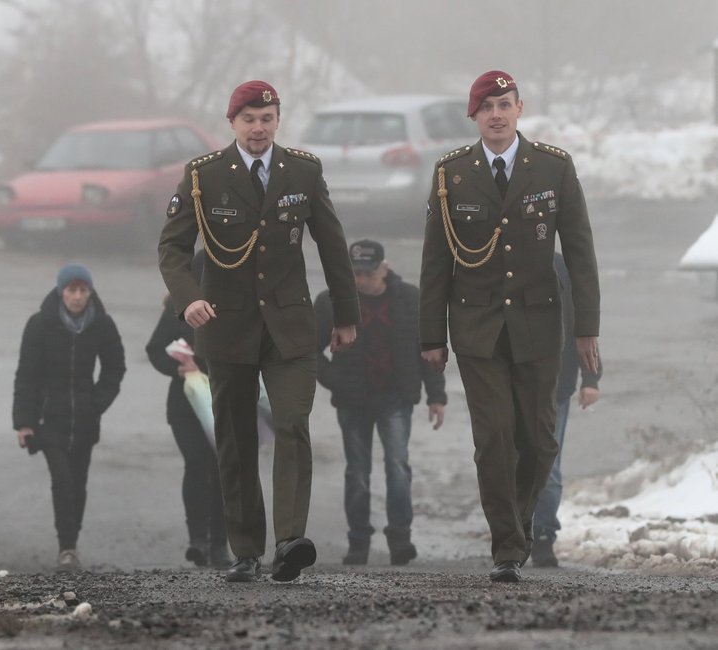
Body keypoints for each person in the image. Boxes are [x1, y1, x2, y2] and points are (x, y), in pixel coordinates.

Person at [158, 80, 360, 583]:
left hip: (290, 327)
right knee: (236, 438)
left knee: (293, 424)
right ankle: (246, 549)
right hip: (226, 328)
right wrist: (190, 300)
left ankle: (289, 541)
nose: (259, 128)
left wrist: (345, 315)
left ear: (277, 120)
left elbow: (333, 246)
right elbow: (172, 249)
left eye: (267, 118)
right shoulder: (203, 177)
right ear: (232, 123)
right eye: (249, 119)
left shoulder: (304, 170)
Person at [419, 70, 600, 583]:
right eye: (486, 107)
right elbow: (436, 262)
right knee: (495, 437)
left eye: (504, 104)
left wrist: (588, 328)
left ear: (520, 108)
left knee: (540, 439)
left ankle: (519, 523)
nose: (495, 114)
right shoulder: (451, 173)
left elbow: (581, 254)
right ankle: (506, 546)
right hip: (477, 326)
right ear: (473, 116)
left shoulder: (553, 167)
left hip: (540, 323)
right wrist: (431, 336)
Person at [314, 239, 447, 566]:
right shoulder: (331, 303)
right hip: (352, 399)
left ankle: (400, 539)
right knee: (357, 471)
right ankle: (358, 541)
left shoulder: (410, 299)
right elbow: (307, 349)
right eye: (355, 273)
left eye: (367, 273)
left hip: (395, 396)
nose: (360, 280)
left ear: (384, 268)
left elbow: (428, 349)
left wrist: (437, 397)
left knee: (397, 466)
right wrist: (334, 380)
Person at [13, 264, 126, 571]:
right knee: (62, 480)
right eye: (71, 290)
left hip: (86, 420)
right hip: (50, 420)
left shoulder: (102, 325)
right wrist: (24, 422)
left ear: (90, 292)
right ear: (60, 291)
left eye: (82, 291)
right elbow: (26, 375)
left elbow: (115, 368)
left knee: (78, 483)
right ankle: (66, 547)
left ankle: (71, 543)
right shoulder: (40, 325)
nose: (77, 297)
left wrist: (96, 403)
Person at [146, 254, 230, 569]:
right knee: (197, 465)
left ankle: (220, 543)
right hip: (185, 405)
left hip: (226, 402)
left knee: (223, 470)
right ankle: (198, 539)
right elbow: (155, 349)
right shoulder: (178, 309)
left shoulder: (235, 308)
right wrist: (179, 366)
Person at [532, 252, 602, 567]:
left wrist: (591, 379)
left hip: (556, 389)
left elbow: (583, 329)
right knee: (511, 461)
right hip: (509, 385)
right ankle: (513, 534)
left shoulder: (562, 269)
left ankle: (544, 536)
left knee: (549, 467)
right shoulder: (507, 261)